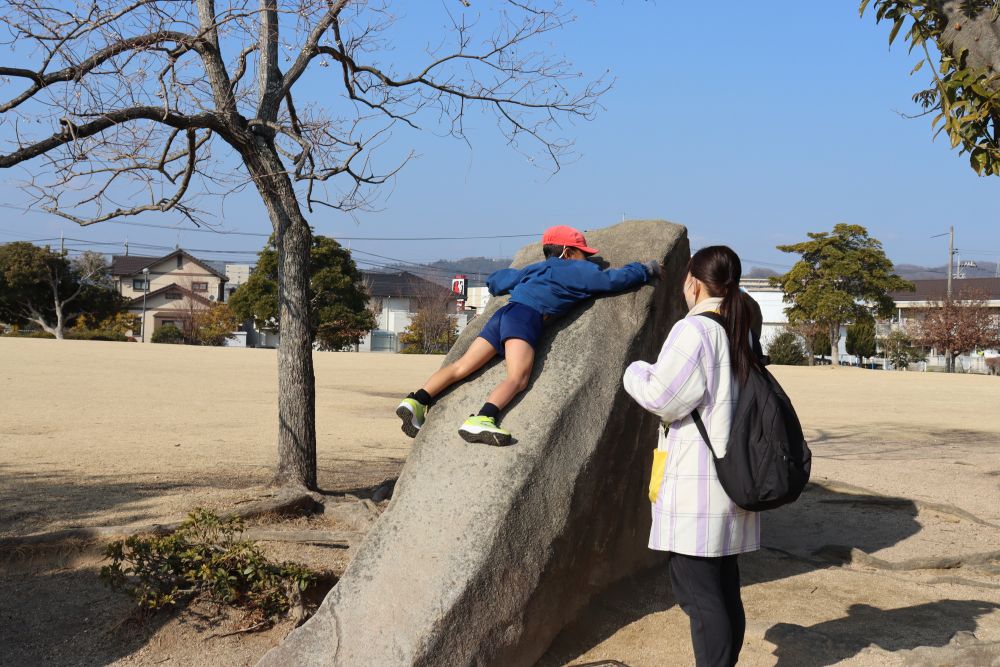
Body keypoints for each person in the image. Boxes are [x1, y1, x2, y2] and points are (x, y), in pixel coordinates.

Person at [622, 245, 762, 667]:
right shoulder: (741, 326)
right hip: (734, 475)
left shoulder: (695, 330)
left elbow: (664, 397)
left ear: (693, 282)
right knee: (721, 591)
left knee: (699, 597)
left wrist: (634, 370)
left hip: (699, 485)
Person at [397, 225, 659, 447]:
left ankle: (417, 400)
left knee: (461, 366)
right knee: (518, 377)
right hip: (527, 319)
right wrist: (645, 270)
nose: (588, 260)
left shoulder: (536, 269)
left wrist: (500, 281)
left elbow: (499, 281)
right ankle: (484, 418)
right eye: (584, 254)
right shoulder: (576, 270)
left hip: (504, 315)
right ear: (568, 252)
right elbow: (612, 280)